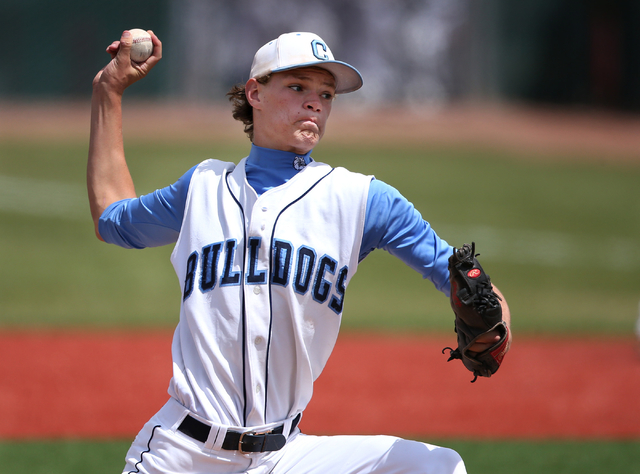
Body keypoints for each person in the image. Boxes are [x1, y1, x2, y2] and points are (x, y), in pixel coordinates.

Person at [88, 30, 511, 474]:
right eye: (297, 88)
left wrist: (498, 323)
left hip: (284, 457)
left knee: (438, 467)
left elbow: (468, 283)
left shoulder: (360, 199)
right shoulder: (202, 188)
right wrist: (108, 92)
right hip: (181, 453)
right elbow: (111, 220)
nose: (315, 103)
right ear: (255, 93)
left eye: (326, 94)